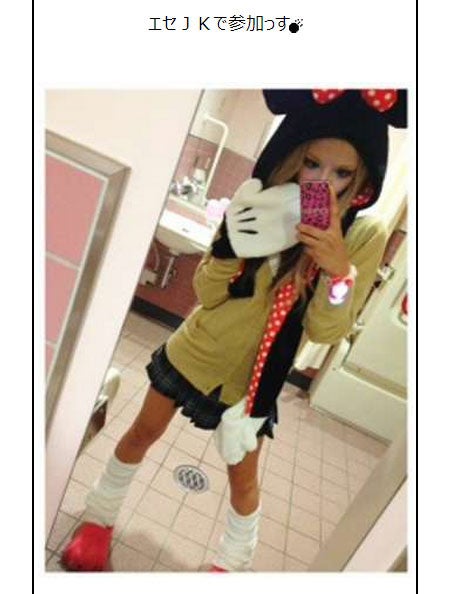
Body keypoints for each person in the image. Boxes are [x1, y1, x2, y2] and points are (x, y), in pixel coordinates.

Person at [60, 88, 407, 572]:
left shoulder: (362, 236)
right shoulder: (257, 202)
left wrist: (337, 272)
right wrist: (235, 243)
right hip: (195, 350)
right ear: (293, 156)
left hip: (253, 384)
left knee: (242, 480)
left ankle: (231, 565)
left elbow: (326, 331)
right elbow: (207, 292)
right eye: (312, 163)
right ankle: (99, 519)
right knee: (141, 433)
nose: (322, 183)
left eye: (342, 172)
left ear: (364, 179)